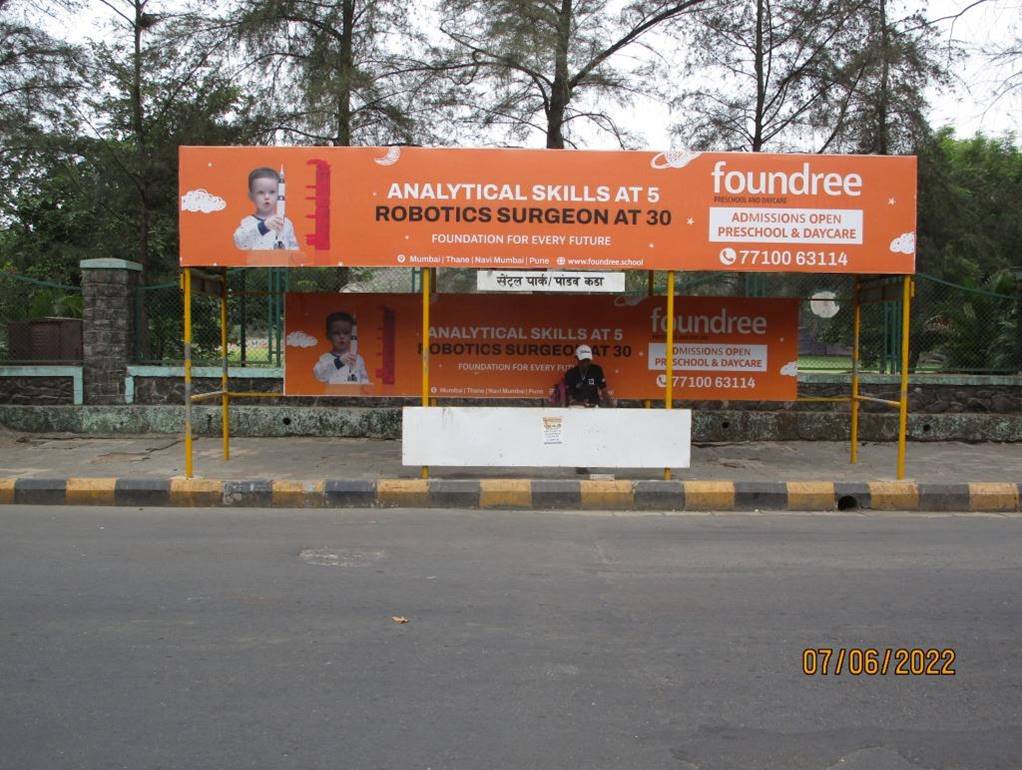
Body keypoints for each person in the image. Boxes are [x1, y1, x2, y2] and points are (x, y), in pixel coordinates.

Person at [233, 167, 300, 250]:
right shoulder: (248, 222)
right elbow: (240, 242)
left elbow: (294, 247)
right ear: (251, 196)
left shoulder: (287, 223)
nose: (267, 197)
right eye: (260, 192)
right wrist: (263, 226)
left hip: (280, 262)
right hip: (258, 263)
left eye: (272, 192)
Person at [313, 311, 371, 384]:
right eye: (336, 333)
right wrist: (339, 362)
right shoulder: (325, 358)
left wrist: (366, 385)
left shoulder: (358, 359)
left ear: (351, 335)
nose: (342, 336)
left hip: (353, 394)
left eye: (346, 333)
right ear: (328, 336)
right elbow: (319, 375)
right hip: (334, 394)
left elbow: (364, 378)